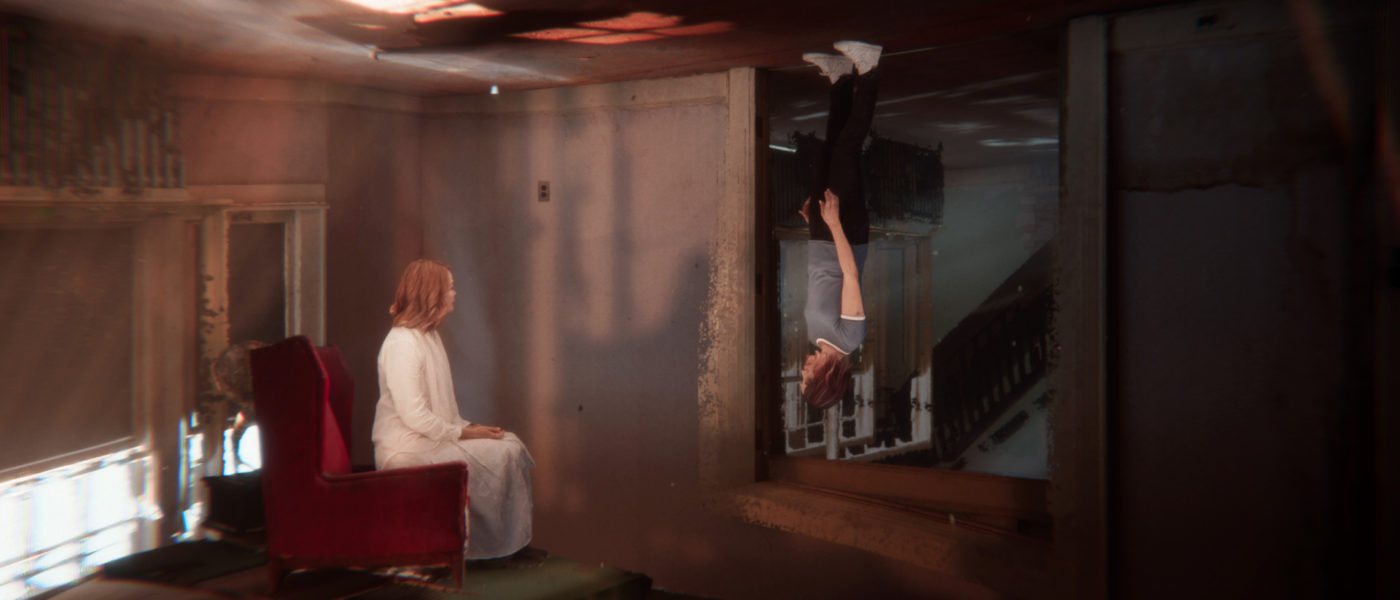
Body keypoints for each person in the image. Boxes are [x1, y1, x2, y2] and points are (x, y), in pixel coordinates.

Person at [371, 258, 536, 561]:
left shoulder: (428, 337)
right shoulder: (402, 344)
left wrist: (468, 430)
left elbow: (439, 412)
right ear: (431, 294)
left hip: (430, 439)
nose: (454, 293)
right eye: (449, 288)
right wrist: (467, 433)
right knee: (505, 453)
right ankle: (495, 549)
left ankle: (507, 546)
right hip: (406, 449)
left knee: (509, 444)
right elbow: (414, 416)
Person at [797, 40, 882, 410]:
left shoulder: (816, 337)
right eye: (806, 378)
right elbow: (849, 274)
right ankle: (869, 69)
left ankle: (839, 78)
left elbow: (820, 276)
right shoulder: (850, 338)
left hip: (824, 235)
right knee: (847, 149)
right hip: (845, 231)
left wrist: (814, 227)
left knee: (829, 149)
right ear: (823, 380)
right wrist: (833, 224)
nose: (802, 371)